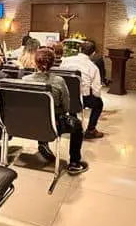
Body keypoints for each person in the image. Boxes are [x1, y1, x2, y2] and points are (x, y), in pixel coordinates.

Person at [23, 47, 88, 175]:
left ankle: (43, 142)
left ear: (35, 62)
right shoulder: (59, 81)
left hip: (28, 124)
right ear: (53, 63)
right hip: (53, 125)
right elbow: (66, 107)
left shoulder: (25, 80)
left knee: (39, 114)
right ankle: (74, 162)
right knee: (77, 126)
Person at [61, 40, 105, 139]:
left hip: (64, 97)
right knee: (99, 104)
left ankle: (72, 124)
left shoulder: (65, 60)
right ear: (93, 53)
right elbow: (96, 91)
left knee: (72, 99)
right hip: (81, 99)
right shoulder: (93, 67)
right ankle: (91, 130)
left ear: (80, 49)